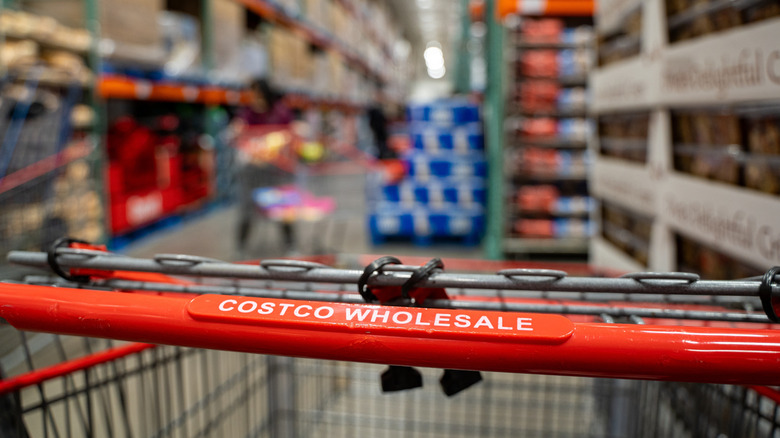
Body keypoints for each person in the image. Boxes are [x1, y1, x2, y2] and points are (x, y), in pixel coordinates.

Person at [233, 79, 297, 255]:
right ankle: (241, 247)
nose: (252, 97)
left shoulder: (280, 111)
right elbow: (238, 131)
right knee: (247, 208)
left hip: (277, 168)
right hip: (253, 168)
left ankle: (291, 245)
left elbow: (291, 131)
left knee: (283, 207)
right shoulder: (246, 113)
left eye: (255, 93)